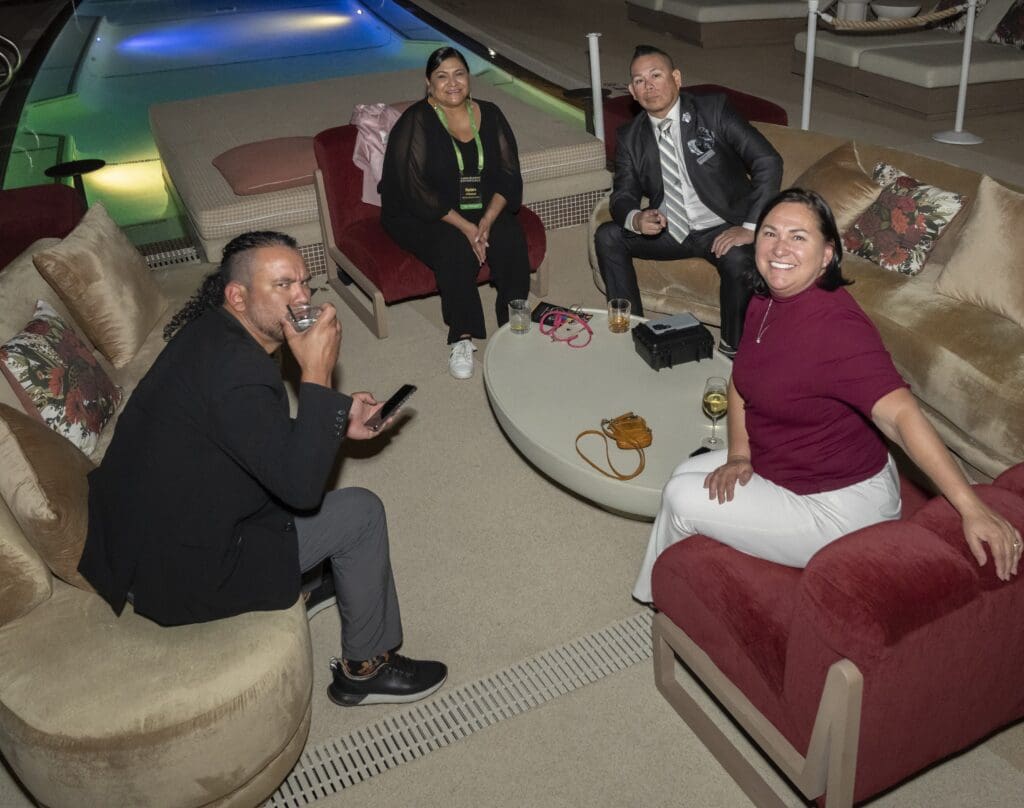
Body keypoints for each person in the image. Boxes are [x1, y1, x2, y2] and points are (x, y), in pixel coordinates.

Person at [78, 231, 448, 707]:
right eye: (282, 285)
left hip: (139, 536)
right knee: (360, 514)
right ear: (237, 296)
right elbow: (301, 488)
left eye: (304, 282)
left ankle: (315, 577)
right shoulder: (241, 373)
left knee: (300, 483)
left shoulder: (214, 336)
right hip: (179, 573)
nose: (302, 297)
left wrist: (337, 417)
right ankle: (365, 670)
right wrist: (316, 374)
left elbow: (249, 432)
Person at [633, 189, 1022, 602]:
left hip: (839, 506)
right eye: (770, 233)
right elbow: (741, 380)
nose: (779, 248)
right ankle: (673, 582)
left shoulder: (838, 329)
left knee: (681, 497)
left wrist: (970, 506)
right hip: (781, 463)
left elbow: (901, 417)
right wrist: (740, 456)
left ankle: (657, 597)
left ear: (826, 255)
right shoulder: (765, 298)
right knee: (683, 473)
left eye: (798, 237)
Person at [595, 45, 784, 357]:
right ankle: (633, 330)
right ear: (632, 91)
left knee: (740, 260)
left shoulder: (713, 110)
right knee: (608, 236)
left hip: (722, 225)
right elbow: (623, 193)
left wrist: (750, 227)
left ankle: (733, 350)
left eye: (656, 75)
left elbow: (768, 161)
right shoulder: (630, 136)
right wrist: (636, 218)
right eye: (640, 81)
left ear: (677, 78)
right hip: (671, 229)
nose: (649, 86)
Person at [379, 46, 531, 380]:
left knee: (510, 237)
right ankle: (462, 337)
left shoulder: (491, 113)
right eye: (442, 76)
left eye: (459, 74)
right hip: (421, 212)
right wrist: (467, 227)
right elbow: (415, 190)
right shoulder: (416, 120)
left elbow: (509, 175)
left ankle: (514, 322)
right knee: (454, 247)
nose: (452, 83)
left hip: (479, 207)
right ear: (428, 83)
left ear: (469, 77)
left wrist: (487, 220)